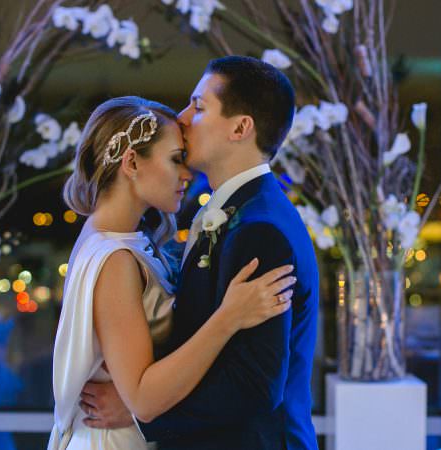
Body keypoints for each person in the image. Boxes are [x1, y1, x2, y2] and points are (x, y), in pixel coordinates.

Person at [79, 56, 320, 449]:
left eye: (200, 106)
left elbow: (254, 385)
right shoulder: (232, 211)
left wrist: (143, 416)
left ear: (241, 128)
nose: (183, 117)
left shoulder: (261, 230)